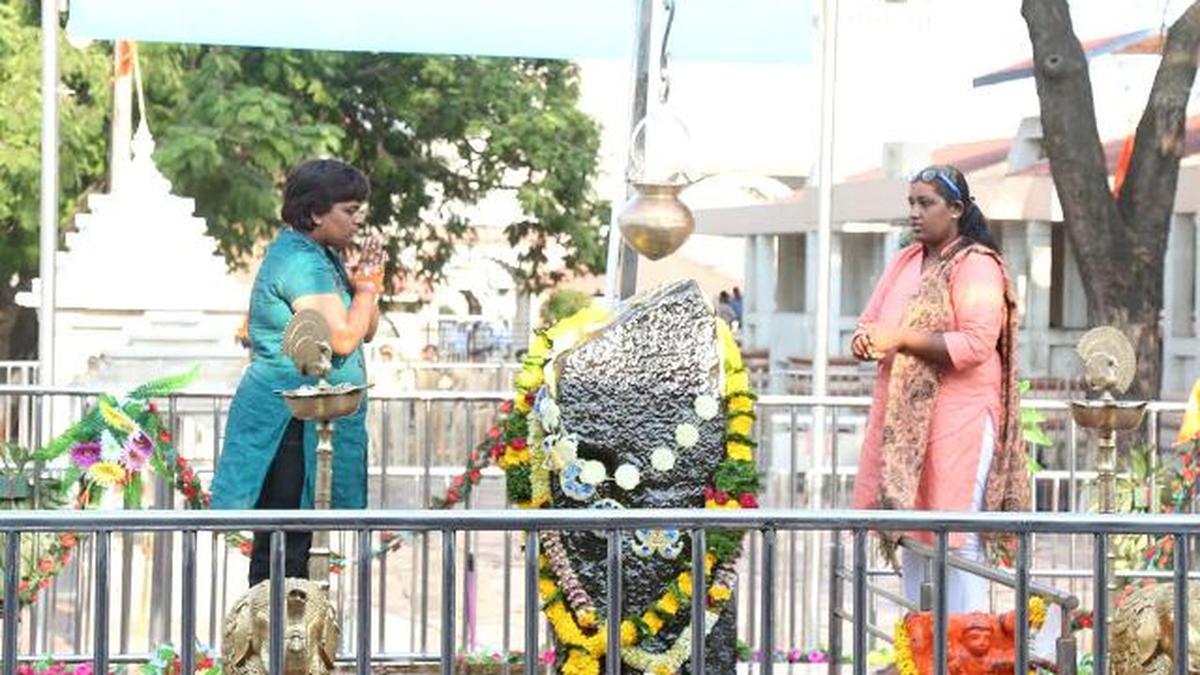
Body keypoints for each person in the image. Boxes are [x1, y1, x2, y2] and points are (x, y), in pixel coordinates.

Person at [849, 164, 1029, 613]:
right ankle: (921, 643)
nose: (915, 212)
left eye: (925, 203)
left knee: (957, 538)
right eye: (911, 202)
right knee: (914, 537)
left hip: (959, 421)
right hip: (905, 427)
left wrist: (901, 337)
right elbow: (871, 322)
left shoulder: (977, 265)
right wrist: (866, 341)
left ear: (956, 209)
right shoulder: (906, 260)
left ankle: (967, 642)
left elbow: (975, 344)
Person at [211, 158, 382, 586]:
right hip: (288, 419)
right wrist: (365, 289)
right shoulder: (299, 261)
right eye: (349, 210)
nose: (357, 221)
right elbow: (342, 338)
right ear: (316, 212)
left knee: (300, 543)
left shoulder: (323, 257)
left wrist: (366, 286)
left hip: (310, 417)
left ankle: (295, 627)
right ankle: (272, 629)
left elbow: (366, 328)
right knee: (283, 545)